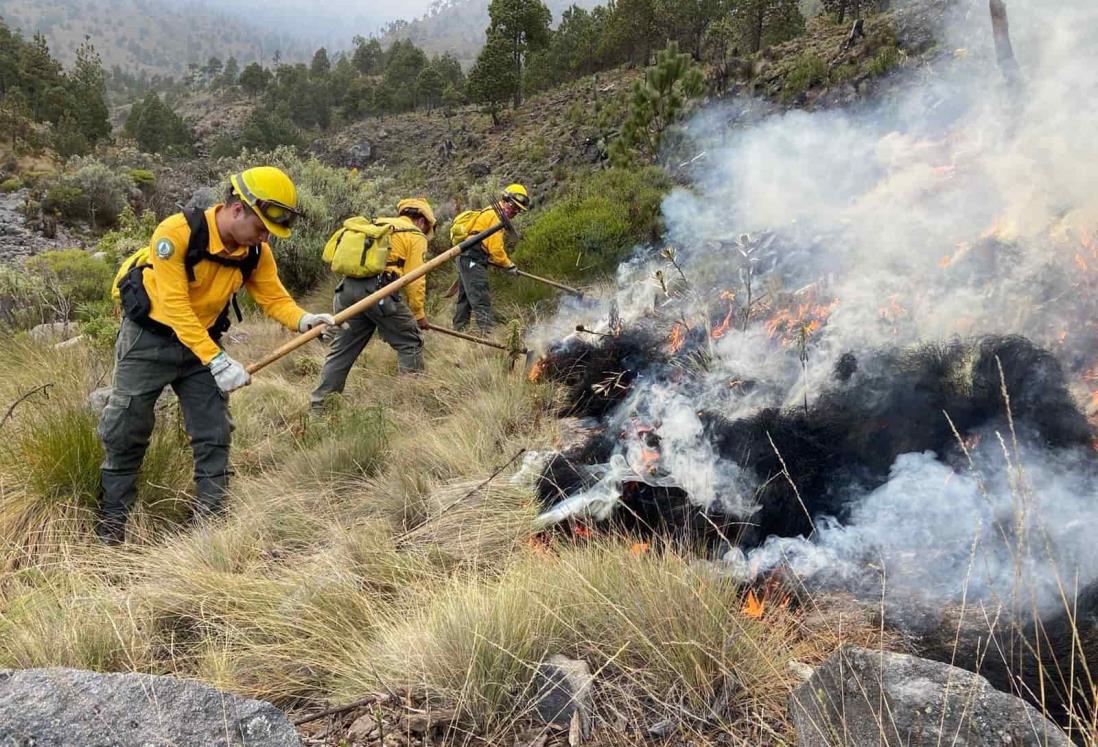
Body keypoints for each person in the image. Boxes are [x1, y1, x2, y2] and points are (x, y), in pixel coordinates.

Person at [96, 166, 336, 544]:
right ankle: (113, 526)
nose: (265, 238)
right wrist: (217, 360)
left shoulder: (255, 251)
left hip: (201, 346)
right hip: (148, 339)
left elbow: (273, 297)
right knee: (126, 429)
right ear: (238, 209)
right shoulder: (176, 233)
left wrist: (304, 319)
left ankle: (211, 525)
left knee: (214, 431)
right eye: (262, 228)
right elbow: (175, 306)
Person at [310, 198, 437, 410]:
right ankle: (411, 406)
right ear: (423, 221)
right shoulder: (414, 235)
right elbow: (416, 279)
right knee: (410, 342)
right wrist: (418, 314)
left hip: (347, 290)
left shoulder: (377, 224)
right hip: (380, 292)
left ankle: (320, 408)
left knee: (342, 350)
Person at [452, 184, 530, 331]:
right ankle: (487, 335)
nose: (516, 211)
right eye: (514, 207)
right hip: (472, 259)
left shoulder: (491, 212)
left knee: (465, 299)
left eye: (519, 209)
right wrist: (509, 265)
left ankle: (459, 331)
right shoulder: (495, 216)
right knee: (481, 297)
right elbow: (495, 249)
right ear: (506, 200)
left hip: (467, 257)